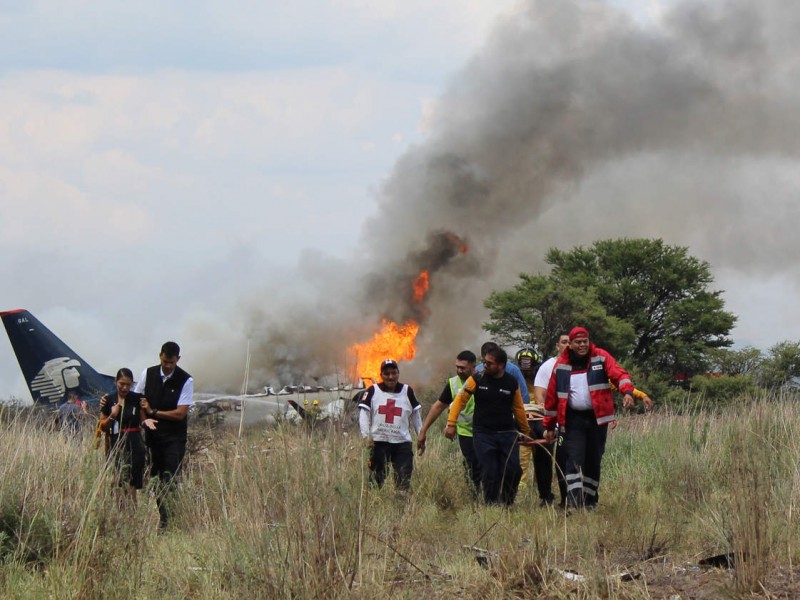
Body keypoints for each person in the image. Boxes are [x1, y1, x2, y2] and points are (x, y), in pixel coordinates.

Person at [543, 327, 634, 510]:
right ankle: (574, 504)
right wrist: (549, 426)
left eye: (585, 341)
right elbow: (552, 399)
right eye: (578, 342)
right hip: (573, 420)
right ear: (571, 344)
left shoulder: (601, 357)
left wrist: (627, 392)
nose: (582, 345)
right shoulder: (560, 366)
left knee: (593, 460)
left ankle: (590, 501)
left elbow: (619, 374)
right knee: (573, 460)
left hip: (596, 419)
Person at [446, 346, 530, 506]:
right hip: (483, 434)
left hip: (507, 433)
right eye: (484, 362)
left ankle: (507, 502)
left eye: (489, 363)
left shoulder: (511, 382)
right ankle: (491, 505)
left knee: (514, 470)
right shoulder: (477, 378)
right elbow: (459, 400)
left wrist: (525, 431)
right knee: (489, 471)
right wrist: (451, 423)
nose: (485, 366)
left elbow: (519, 408)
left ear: (501, 365)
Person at [135, 341, 194, 528]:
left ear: (178, 359)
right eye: (165, 361)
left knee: (169, 477)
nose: (167, 366)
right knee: (156, 477)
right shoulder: (148, 373)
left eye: (171, 362)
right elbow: (139, 400)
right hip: (153, 438)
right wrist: (145, 419)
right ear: (160, 356)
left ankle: (169, 520)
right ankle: (163, 518)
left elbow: (180, 413)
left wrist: (154, 413)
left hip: (174, 439)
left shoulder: (186, 380)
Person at [417, 350, 481, 494]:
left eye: (463, 368)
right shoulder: (453, 383)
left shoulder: (482, 381)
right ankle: (476, 497)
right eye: (457, 367)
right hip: (465, 432)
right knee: (472, 465)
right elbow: (438, 406)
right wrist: (423, 430)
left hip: (484, 431)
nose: (459, 370)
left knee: (487, 464)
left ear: (473, 367)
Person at [358, 359, 422, 491]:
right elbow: (363, 413)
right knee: (376, 480)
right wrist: (366, 436)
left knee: (403, 479)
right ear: (381, 375)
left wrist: (420, 435)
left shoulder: (407, 391)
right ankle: (373, 506)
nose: (391, 377)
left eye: (394, 373)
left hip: (402, 443)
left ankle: (400, 507)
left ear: (398, 373)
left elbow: (416, 414)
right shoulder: (373, 391)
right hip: (379, 443)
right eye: (387, 374)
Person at [99, 368, 157, 503]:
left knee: (131, 481)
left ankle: (131, 513)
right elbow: (102, 426)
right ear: (115, 382)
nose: (125, 387)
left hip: (134, 443)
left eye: (128, 384)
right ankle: (119, 512)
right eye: (121, 384)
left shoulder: (137, 398)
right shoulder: (108, 400)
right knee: (117, 479)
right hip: (116, 442)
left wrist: (146, 421)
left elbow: (142, 420)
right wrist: (113, 415)